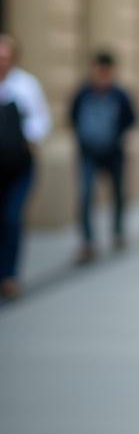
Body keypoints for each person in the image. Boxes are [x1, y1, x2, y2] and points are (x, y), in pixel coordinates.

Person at [69, 50, 137, 262]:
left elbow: (131, 119)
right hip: (89, 153)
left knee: (117, 194)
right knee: (86, 195)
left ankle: (117, 231)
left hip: (113, 153)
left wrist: (119, 136)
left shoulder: (120, 94)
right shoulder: (83, 93)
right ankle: (88, 241)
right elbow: (72, 117)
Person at [0, 34, 52, 299]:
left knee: (11, 218)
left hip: (19, 165)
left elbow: (41, 119)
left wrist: (29, 139)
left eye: (5, 56)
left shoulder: (25, 86)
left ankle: (9, 275)